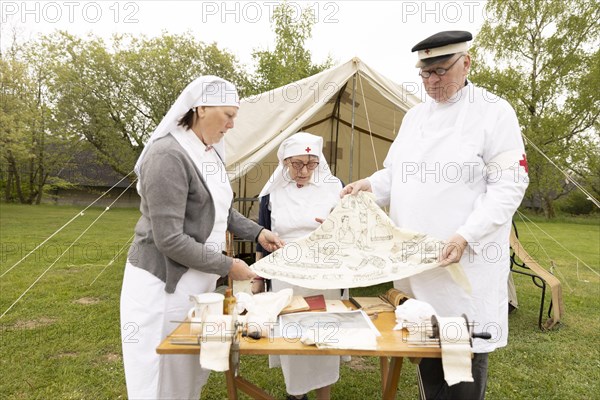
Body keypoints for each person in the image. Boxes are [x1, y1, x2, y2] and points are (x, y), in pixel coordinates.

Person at [341, 31, 529, 399]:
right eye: (425, 74)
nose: (431, 82)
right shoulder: (414, 117)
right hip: (418, 269)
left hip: (464, 268)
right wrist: (369, 186)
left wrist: (466, 235)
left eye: (441, 71)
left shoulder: (494, 111)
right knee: (425, 353)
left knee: (462, 366)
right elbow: (394, 175)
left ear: (466, 63)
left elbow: (509, 185)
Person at [120, 76, 283, 400]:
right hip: (162, 289)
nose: (232, 125)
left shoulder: (208, 154)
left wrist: (258, 232)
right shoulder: (168, 155)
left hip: (197, 284)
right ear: (202, 107)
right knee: (160, 380)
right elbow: (169, 239)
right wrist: (228, 264)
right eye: (228, 115)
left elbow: (218, 210)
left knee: (189, 377)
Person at [256, 132, 344, 400]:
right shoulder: (271, 195)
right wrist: (258, 278)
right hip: (287, 277)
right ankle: (295, 392)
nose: (304, 171)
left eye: (311, 163)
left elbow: (350, 229)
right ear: (284, 162)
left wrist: (334, 227)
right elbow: (262, 236)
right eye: (296, 164)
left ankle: (323, 395)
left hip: (324, 275)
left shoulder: (335, 187)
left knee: (323, 335)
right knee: (292, 334)